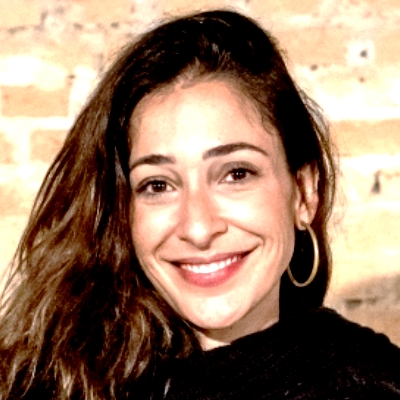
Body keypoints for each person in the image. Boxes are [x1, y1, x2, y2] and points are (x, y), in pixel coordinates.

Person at [0, 9, 399, 400]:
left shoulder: (366, 387)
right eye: (158, 185)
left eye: (236, 174)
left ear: (304, 192)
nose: (198, 228)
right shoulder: (52, 378)